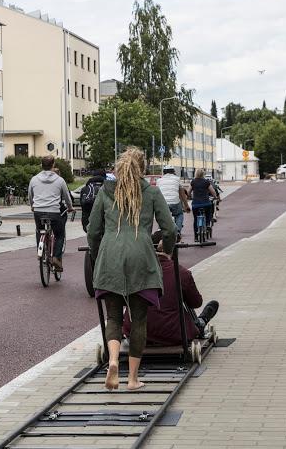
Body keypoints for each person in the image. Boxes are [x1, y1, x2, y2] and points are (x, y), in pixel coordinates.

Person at [87, 147, 176, 391]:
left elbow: (93, 231)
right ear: (143, 168)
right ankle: (133, 378)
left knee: (113, 317)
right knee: (139, 320)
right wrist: (166, 250)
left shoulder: (105, 193)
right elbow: (169, 229)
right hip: (141, 256)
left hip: (110, 256)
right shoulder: (152, 192)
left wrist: (98, 256)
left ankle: (113, 361)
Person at [124, 231, 219, 346]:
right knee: (196, 318)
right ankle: (201, 321)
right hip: (172, 334)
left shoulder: (134, 270)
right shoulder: (181, 273)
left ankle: (200, 322)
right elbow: (196, 302)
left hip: (135, 333)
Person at [28, 156, 74, 271]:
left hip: (38, 211)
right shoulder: (59, 180)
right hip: (54, 211)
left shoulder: (34, 179)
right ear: (53, 165)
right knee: (59, 235)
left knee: (39, 230)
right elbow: (67, 197)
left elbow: (30, 195)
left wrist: (33, 205)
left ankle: (41, 251)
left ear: (41, 165)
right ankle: (56, 258)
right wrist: (70, 207)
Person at [156, 165, 190, 237]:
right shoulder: (177, 179)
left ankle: (160, 230)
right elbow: (182, 194)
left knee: (161, 216)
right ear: (173, 172)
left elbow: (157, 194)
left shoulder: (159, 181)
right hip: (175, 203)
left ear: (164, 172)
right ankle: (177, 231)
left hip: (163, 203)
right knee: (179, 214)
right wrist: (186, 206)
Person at [189, 169, 218, 241]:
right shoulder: (206, 182)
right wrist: (215, 196)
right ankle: (208, 224)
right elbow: (213, 191)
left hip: (195, 204)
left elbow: (188, 191)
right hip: (206, 203)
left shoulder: (193, 182)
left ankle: (196, 237)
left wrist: (189, 196)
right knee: (208, 213)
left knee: (195, 219)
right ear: (203, 174)